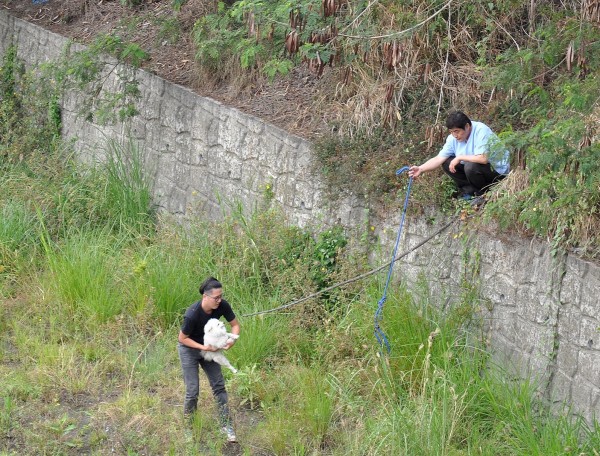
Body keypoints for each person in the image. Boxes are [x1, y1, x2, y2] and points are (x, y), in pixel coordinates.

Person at [178, 276, 241, 442]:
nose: (219, 300)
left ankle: (226, 425)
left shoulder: (223, 305)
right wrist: (203, 348)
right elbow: (182, 339)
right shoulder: (192, 314)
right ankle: (189, 428)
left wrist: (231, 341)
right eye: (216, 298)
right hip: (189, 349)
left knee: (219, 386)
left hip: (211, 349)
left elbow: (235, 326)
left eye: (221, 296)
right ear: (205, 297)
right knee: (193, 391)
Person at [408, 111, 510, 199]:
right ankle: (470, 190)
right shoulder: (453, 138)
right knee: (447, 162)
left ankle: (484, 193)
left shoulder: (481, 130)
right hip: (479, 172)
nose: (454, 135)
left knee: (471, 166)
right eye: (451, 132)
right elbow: (439, 158)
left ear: (467, 126)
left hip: (497, 172)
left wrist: (459, 157)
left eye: (457, 131)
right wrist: (421, 169)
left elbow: (483, 158)